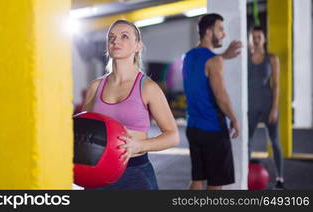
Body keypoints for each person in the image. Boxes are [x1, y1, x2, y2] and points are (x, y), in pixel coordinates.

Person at [82, 19, 180, 190]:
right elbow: (83, 131)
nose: (115, 40)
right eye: (111, 37)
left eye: (124, 36)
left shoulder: (148, 87)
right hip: (96, 173)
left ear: (138, 46)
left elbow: (172, 136)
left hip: (134, 173)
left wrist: (140, 145)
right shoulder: (95, 87)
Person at [182, 13, 241, 190]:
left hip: (193, 127)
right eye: (220, 29)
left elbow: (205, 65)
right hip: (213, 129)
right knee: (215, 183)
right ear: (208, 32)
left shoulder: (188, 57)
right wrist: (234, 119)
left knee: (197, 179)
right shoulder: (214, 60)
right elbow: (220, 95)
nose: (223, 34)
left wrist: (223, 56)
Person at [248, 26, 284, 189]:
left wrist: (274, 108)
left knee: (275, 142)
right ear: (250, 39)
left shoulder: (272, 59)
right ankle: (246, 175)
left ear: (264, 39)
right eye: (253, 37)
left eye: (259, 37)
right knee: (246, 142)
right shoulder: (245, 58)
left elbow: (276, 85)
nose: (256, 40)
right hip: (251, 106)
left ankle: (280, 178)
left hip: (268, 104)